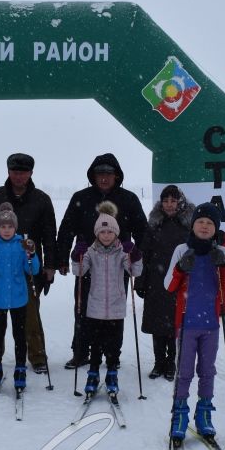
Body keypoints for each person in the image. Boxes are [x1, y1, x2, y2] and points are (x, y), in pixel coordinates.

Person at [57, 153, 147, 368]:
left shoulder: (129, 199)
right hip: (87, 260)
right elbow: (67, 229)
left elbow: (143, 232)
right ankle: (81, 352)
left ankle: (112, 354)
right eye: (99, 174)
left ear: (116, 176)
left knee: (113, 309)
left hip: (118, 263)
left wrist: (138, 256)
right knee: (83, 308)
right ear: (93, 176)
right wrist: (62, 257)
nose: (104, 178)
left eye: (108, 174)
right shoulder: (81, 197)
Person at [0, 153, 57, 375]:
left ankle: (37, 356)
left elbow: (50, 234)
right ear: (8, 171)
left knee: (30, 314)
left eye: (23, 172)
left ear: (30, 173)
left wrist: (50, 265)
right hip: (1, 264)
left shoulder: (41, 199)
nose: (18, 176)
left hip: (29, 265)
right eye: (14, 171)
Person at [163, 203, 225, 446]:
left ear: (216, 229)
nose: (204, 226)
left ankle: (204, 413)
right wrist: (180, 269)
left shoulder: (222, 251)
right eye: (200, 222)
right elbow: (168, 286)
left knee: (207, 371)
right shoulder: (182, 249)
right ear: (192, 225)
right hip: (186, 323)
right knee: (184, 373)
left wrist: (224, 268)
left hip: (211, 325)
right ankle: (180, 416)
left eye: (210, 223)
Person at [70, 202, 143, 396]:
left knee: (113, 344)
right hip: (95, 306)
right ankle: (93, 373)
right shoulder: (91, 252)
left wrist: (134, 254)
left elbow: (135, 271)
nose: (106, 236)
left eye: (110, 232)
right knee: (95, 343)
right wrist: (77, 255)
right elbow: (78, 271)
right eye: (102, 233)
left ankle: (111, 373)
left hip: (116, 307)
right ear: (96, 234)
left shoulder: (121, 252)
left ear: (116, 233)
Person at [0, 203, 40, 392]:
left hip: (19, 297)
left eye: (10, 226)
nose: (6, 230)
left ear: (15, 227)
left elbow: (33, 269)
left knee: (20, 336)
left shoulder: (21, 244)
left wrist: (32, 254)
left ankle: (20, 368)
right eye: (3, 227)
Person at [134, 185, 194, 381]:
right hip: (155, 281)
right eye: (165, 201)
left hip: (178, 281)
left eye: (173, 201)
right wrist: (140, 282)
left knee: (172, 325)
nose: (169, 205)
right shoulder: (153, 224)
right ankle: (158, 362)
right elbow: (144, 253)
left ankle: (171, 363)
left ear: (180, 202)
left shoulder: (188, 225)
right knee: (156, 325)